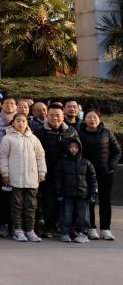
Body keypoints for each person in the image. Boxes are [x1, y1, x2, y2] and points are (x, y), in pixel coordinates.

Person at [0, 112, 47, 242]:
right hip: (15, 178)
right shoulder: (7, 139)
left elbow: (40, 156)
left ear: (27, 123)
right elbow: (3, 157)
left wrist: (42, 172)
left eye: (23, 121)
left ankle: (30, 230)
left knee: (31, 205)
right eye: (18, 121)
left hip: (32, 178)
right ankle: (18, 230)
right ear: (13, 123)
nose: (21, 123)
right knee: (17, 205)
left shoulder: (33, 138)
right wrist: (5, 173)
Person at [33, 103, 78, 238]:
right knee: (49, 201)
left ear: (63, 115)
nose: (55, 118)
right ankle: (50, 227)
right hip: (48, 172)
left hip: (67, 173)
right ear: (47, 116)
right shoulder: (40, 131)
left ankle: (67, 227)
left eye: (58, 115)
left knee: (68, 201)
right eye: (51, 115)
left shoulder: (71, 131)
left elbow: (78, 150)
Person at [77, 109, 120, 241]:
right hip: (86, 173)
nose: (92, 120)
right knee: (89, 200)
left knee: (105, 201)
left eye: (95, 117)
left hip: (105, 173)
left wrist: (110, 166)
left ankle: (105, 229)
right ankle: (91, 228)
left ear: (99, 119)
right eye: (89, 117)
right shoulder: (79, 133)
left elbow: (117, 151)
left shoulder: (107, 132)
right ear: (84, 120)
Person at [56, 137, 98, 243]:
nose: (73, 149)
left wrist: (93, 193)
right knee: (66, 214)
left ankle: (83, 233)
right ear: (67, 148)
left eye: (76, 147)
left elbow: (92, 179)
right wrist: (59, 191)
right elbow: (58, 178)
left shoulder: (86, 163)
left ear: (80, 148)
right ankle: (65, 233)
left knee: (84, 216)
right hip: (67, 194)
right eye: (71, 147)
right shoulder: (62, 163)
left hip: (83, 194)